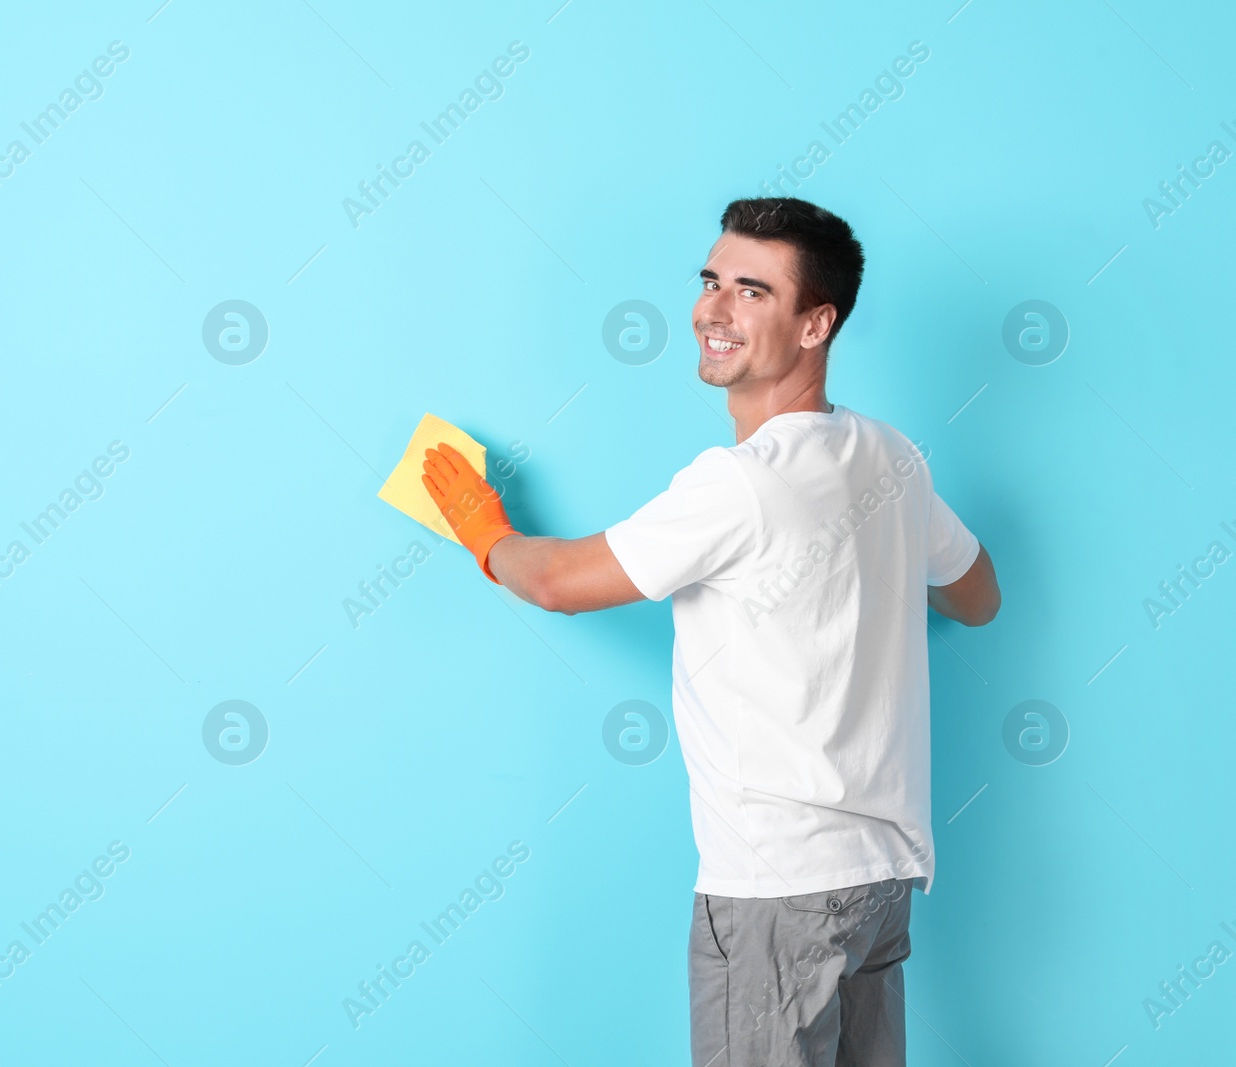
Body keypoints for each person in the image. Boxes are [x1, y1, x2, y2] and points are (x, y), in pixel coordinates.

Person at [420, 196, 1000, 1066]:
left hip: (776, 889)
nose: (712, 310)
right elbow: (977, 596)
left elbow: (555, 583)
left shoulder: (738, 483)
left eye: (753, 292)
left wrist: (481, 528)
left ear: (817, 323)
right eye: (710, 280)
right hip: (879, 879)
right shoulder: (892, 458)